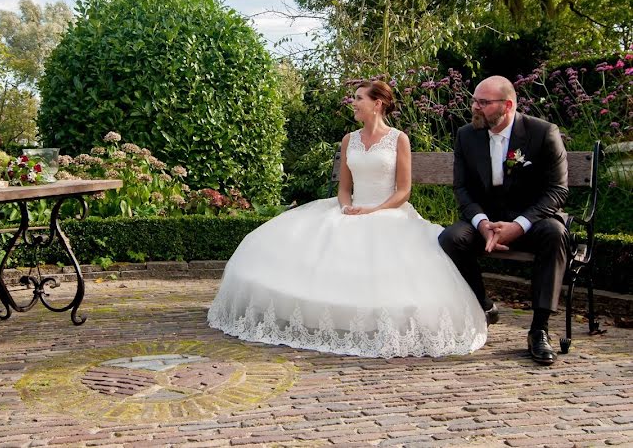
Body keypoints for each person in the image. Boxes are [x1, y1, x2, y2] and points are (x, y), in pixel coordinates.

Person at [208, 81, 487, 358]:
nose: (353, 103)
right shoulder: (349, 139)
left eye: (358, 98)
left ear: (377, 104)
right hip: (350, 209)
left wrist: (374, 210)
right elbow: (344, 187)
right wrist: (346, 208)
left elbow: (403, 191)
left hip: (388, 212)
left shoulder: (398, 139)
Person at [438, 76, 569, 366]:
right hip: (486, 222)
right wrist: (482, 223)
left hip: (531, 221)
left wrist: (519, 225)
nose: (474, 107)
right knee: (450, 238)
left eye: (483, 103)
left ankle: (539, 330)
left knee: (556, 233)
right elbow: (461, 188)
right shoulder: (466, 135)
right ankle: (484, 306)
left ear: (507, 105)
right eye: (474, 100)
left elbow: (557, 191)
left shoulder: (543, 133)